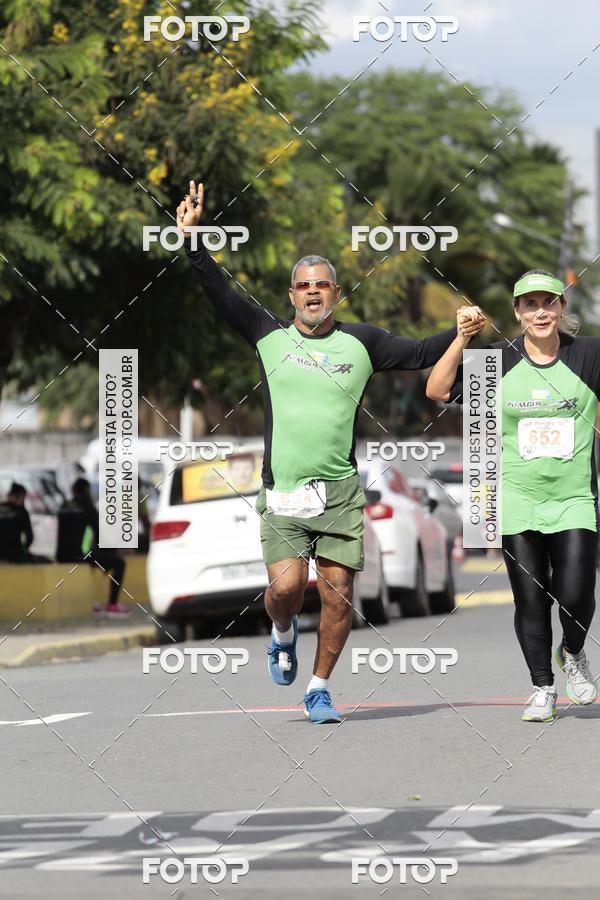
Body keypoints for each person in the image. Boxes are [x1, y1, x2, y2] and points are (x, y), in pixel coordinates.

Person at [177, 181, 468, 724]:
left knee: (337, 596)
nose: (313, 294)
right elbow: (221, 293)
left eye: (323, 286)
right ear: (292, 296)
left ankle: (318, 688)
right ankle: (282, 631)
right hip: (283, 490)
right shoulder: (267, 336)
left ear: (336, 293)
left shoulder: (363, 343)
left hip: (339, 493)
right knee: (286, 588)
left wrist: (460, 331)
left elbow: (421, 352)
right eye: (304, 287)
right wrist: (192, 240)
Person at [426, 269, 599, 723]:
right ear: (517, 313)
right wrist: (462, 339)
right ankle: (542, 687)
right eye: (530, 304)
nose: (540, 312)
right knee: (530, 598)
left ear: (561, 308)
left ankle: (575, 653)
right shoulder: (496, 362)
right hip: (515, 499)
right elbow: (438, 389)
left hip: (574, 497)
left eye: (549, 303)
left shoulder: (589, 354)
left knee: (578, 593)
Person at [67, 478, 130, 619]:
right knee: (119, 562)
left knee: (103, 557)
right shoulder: (87, 507)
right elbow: (99, 533)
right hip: (82, 554)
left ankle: (94, 601)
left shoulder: (65, 505)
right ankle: (112, 604)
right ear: (86, 491)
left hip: (62, 554)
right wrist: (111, 554)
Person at [0, 482, 34, 562]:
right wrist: (24, 550)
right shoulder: (21, 511)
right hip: (15, 555)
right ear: (20, 496)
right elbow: (30, 536)